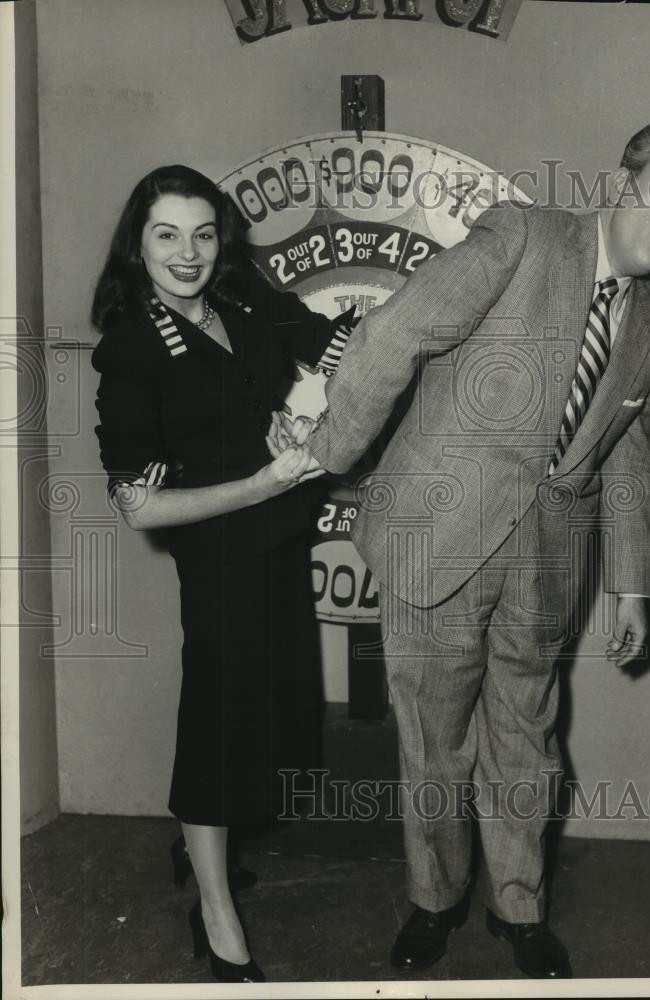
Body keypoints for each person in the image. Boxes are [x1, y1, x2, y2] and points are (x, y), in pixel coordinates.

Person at [279, 118, 650, 978]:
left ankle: (517, 906)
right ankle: (433, 899)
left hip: (550, 559)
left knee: (528, 734)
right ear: (624, 179)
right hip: (439, 530)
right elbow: (394, 331)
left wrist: (634, 587)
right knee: (433, 736)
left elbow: (632, 460)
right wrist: (326, 452)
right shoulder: (525, 236)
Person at [90, 165, 352, 983]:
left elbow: (337, 348)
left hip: (280, 544)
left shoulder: (243, 302)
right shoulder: (131, 348)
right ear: (137, 246)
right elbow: (139, 507)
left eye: (204, 233)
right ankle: (215, 910)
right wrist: (261, 480)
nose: (189, 252)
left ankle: (197, 849)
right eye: (167, 234)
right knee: (218, 724)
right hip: (220, 561)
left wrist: (306, 406)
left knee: (269, 716)